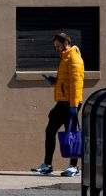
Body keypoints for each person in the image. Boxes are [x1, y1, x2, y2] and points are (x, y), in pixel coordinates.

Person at [32, 32, 84, 177]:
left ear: (66, 43)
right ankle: (47, 165)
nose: (56, 49)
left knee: (71, 135)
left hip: (70, 104)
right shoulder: (65, 58)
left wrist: (74, 106)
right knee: (50, 131)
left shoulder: (74, 58)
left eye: (58, 46)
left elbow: (76, 84)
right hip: (63, 102)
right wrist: (54, 81)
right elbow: (66, 81)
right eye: (55, 46)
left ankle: (74, 167)